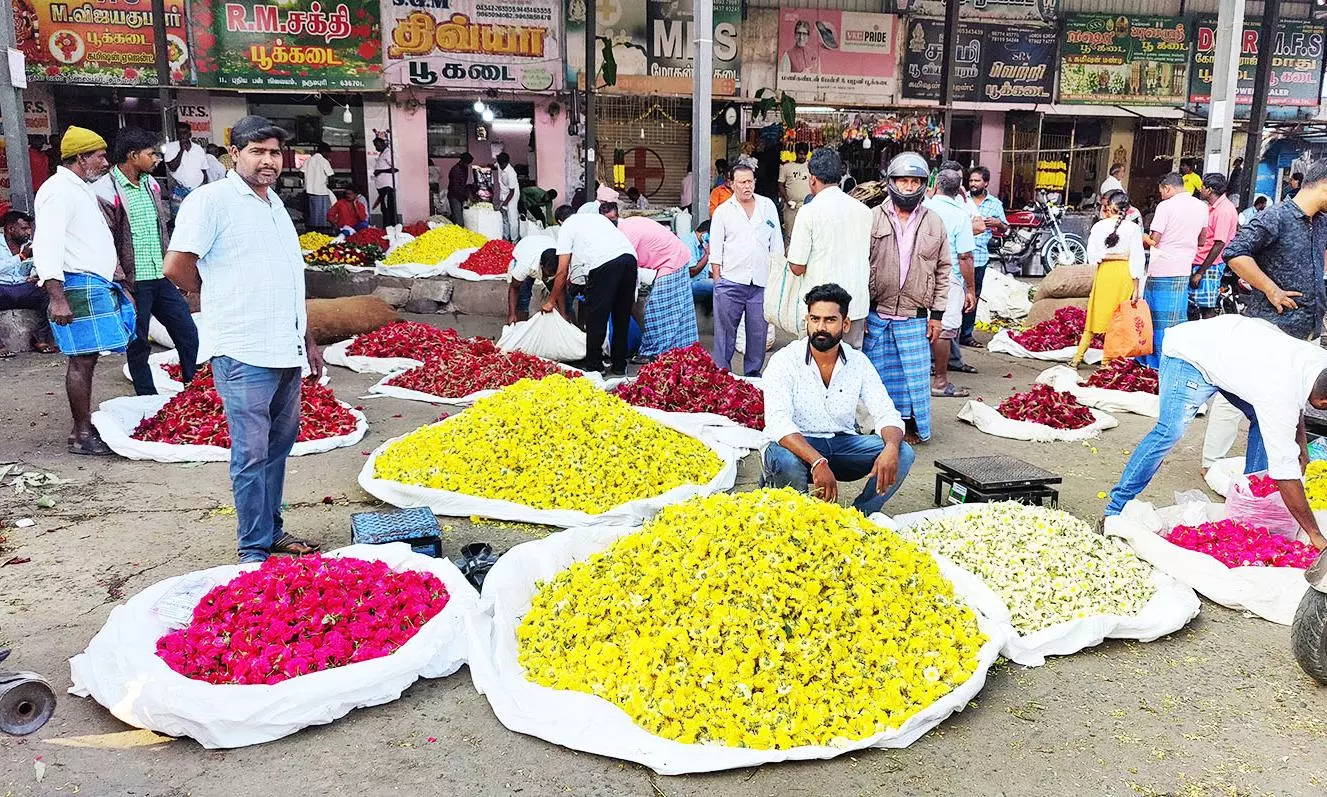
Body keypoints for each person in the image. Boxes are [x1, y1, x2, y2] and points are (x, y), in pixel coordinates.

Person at [163, 115, 323, 563]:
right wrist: (215, 295)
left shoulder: (275, 206)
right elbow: (176, 265)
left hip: (285, 347)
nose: (268, 160)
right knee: (251, 454)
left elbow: (292, 278)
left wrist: (307, 339)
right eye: (258, 151)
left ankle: (271, 530)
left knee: (278, 447)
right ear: (235, 154)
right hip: (242, 347)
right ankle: (252, 547)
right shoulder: (211, 200)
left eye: (274, 152)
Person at [1105, 315, 1327, 552]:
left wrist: (1301, 447)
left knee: (1267, 427)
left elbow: (1298, 401)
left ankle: (1252, 510)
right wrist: (1315, 534)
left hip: (1233, 354)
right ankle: (1116, 507)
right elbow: (1285, 472)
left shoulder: (1320, 364)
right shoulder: (1279, 396)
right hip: (1191, 354)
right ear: (1323, 403)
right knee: (1171, 430)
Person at [1201, 162, 1327, 469]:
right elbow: (1235, 252)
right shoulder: (1276, 216)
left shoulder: (1321, 222)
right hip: (1269, 327)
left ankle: (1282, 463)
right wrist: (1271, 289)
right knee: (1236, 391)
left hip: (1307, 329)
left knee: (1292, 400)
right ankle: (1212, 461)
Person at [761, 283, 915, 514]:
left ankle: (858, 516)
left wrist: (891, 447)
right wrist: (816, 461)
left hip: (842, 445)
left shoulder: (858, 362)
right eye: (815, 319)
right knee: (784, 460)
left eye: (830, 320)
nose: (820, 327)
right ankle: (801, 519)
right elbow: (778, 422)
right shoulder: (785, 360)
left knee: (903, 453)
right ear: (807, 321)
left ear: (845, 324)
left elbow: (885, 412)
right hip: (798, 445)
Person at [35, 126, 133, 455]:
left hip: (92, 282)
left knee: (87, 358)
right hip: (75, 283)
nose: (106, 162)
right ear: (81, 158)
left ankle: (83, 428)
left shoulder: (79, 188)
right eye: (100, 156)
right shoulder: (58, 190)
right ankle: (80, 433)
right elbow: (47, 245)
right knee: (81, 360)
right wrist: (57, 297)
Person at [95, 127, 199, 397]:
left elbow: (161, 230)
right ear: (133, 155)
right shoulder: (105, 191)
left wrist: (175, 272)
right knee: (138, 343)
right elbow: (105, 242)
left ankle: (193, 387)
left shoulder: (151, 184)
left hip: (159, 276)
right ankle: (147, 398)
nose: (156, 159)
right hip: (133, 281)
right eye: (151, 154)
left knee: (187, 331)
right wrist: (119, 283)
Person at [864, 151, 952, 444]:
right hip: (877, 312)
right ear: (891, 183)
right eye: (903, 181)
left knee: (911, 379)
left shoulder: (934, 222)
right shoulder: (873, 218)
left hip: (915, 314)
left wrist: (937, 316)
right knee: (878, 376)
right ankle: (879, 426)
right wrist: (861, 312)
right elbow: (859, 265)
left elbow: (943, 269)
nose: (909, 188)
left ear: (924, 185)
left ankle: (911, 425)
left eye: (915, 182)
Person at [786, 148, 872, 347]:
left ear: (812, 179)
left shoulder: (809, 212)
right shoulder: (864, 211)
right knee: (849, 367)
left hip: (820, 311)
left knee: (814, 368)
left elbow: (797, 266)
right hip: (855, 306)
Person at [545, 204, 638, 375]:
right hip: (630, 259)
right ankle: (619, 365)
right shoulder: (596, 218)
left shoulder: (567, 227)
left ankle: (595, 366)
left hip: (605, 265)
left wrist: (550, 301)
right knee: (621, 316)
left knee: (596, 317)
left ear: (559, 221)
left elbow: (562, 270)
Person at [709, 162, 782, 376]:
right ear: (731, 184)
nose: (746, 186)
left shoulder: (767, 205)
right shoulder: (723, 212)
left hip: (761, 282)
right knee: (724, 335)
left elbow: (777, 245)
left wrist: (775, 280)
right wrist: (718, 281)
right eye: (741, 182)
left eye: (750, 181)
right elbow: (715, 248)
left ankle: (753, 375)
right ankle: (722, 376)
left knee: (758, 334)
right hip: (730, 281)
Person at [922, 163, 978, 396]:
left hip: (918, 276)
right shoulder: (960, 215)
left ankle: (918, 377)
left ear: (935, 186)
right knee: (944, 331)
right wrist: (971, 289)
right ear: (959, 191)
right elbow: (964, 256)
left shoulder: (921, 208)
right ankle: (940, 382)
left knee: (919, 326)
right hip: (948, 279)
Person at [1071, 191, 1145, 368]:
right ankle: (1106, 361)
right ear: (1127, 211)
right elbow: (1137, 259)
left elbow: (1092, 255)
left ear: (1108, 208)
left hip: (1105, 273)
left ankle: (1077, 357)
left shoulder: (1098, 227)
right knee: (1117, 319)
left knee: (1094, 316)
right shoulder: (1133, 229)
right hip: (1124, 274)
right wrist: (1136, 287)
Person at [1141, 173, 1207, 367]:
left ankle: (1155, 361)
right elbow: (1202, 240)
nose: (1161, 195)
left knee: (1157, 318)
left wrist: (1144, 237)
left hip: (1162, 268)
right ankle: (1175, 359)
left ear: (1168, 188)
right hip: (1184, 267)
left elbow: (1155, 239)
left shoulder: (1165, 207)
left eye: (1161, 191)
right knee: (1177, 317)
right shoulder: (1201, 207)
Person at [619, 216, 697, 362]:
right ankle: (675, 350)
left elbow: (627, 266)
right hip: (674, 258)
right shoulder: (628, 224)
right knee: (676, 310)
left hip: (672, 261)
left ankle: (652, 352)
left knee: (657, 310)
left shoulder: (626, 233)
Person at [0, 211, 57, 355]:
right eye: (24, 228)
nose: (29, 232)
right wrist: (21, 257)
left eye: (29, 228)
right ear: (10, 229)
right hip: (2, 288)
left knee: (51, 292)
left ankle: (41, 339)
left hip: (24, 288)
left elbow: (39, 265)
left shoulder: (31, 246)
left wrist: (37, 275)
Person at [962, 165, 1007, 348]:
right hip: (960, 255)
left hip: (979, 256)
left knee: (974, 295)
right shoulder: (961, 201)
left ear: (986, 183)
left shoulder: (995, 204)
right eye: (971, 181)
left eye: (977, 181)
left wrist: (998, 223)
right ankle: (952, 332)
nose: (973, 184)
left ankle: (966, 334)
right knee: (957, 295)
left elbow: (1005, 228)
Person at [1189, 172, 1239, 321]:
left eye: (1202, 187)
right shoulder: (1214, 208)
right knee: (1194, 305)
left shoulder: (1224, 210)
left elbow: (1219, 243)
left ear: (1209, 190)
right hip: (1202, 261)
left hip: (1209, 265)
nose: (1200, 190)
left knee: (1207, 308)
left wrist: (1200, 272)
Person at [505, 233, 558, 323]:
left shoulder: (560, 263)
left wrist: (564, 315)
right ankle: (521, 324)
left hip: (546, 244)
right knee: (523, 297)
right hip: (526, 248)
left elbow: (561, 292)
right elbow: (514, 288)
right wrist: (512, 314)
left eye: (553, 274)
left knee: (562, 298)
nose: (549, 276)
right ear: (541, 265)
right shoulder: (524, 265)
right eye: (548, 273)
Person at [162, 121, 209, 215]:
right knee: (178, 217)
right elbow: (173, 167)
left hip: (197, 189)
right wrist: (181, 150)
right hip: (178, 189)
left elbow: (204, 171)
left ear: (190, 134)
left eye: (185, 132)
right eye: (180, 133)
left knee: (197, 216)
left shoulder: (198, 149)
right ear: (177, 135)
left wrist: (203, 187)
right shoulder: (170, 147)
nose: (182, 135)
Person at [300, 142, 335, 233]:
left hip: (310, 191)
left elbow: (300, 174)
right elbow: (330, 175)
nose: (328, 155)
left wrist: (309, 177)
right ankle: (322, 231)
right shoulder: (324, 161)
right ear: (323, 152)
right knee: (322, 213)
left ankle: (313, 230)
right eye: (327, 153)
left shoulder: (308, 160)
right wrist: (331, 185)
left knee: (313, 212)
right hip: (322, 191)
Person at [778, 143, 811, 238]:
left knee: (806, 235)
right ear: (796, 153)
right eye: (800, 154)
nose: (803, 156)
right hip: (791, 207)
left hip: (807, 206)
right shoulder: (786, 167)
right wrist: (787, 200)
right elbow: (780, 185)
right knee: (790, 235)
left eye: (804, 154)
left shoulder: (810, 166)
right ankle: (788, 253)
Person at [494, 152, 520, 242]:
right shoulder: (499, 165)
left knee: (512, 218)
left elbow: (512, 192)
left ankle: (514, 240)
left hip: (512, 195)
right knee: (505, 217)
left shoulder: (511, 173)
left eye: (502, 165)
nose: (500, 167)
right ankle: (506, 237)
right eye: (499, 164)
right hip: (504, 193)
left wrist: (504, 203)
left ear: (506, 163)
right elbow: (494, 166)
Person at [372, 137, 397, 226]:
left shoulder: (388, 153)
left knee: (388, 207)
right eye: (375, 146)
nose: (376, 148)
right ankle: (386, 226)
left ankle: (390, 226)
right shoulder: (382, 153)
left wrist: (380, 171)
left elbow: (395, 168)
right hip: (381, 185)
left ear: (383, 144)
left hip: (387, 185)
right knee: (384, 207)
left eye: (377, 145)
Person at [688, 219, 712, 306]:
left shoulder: (702, 243)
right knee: (719, 286)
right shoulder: (688, 241)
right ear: (705, 233)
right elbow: (692, 271)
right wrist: (707, 254)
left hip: (700, 281)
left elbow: (704, 271)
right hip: (689, 284)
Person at [447, 153, 474, 225]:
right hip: (454, 196)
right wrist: (465, 197)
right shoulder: (456, 170)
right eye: (467, 163)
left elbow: (463, 184)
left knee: (459, 216)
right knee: (459, 220)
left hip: (460, 194)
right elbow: (455, 188)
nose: (467, 165)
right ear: (463, 161)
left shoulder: (464, 168)